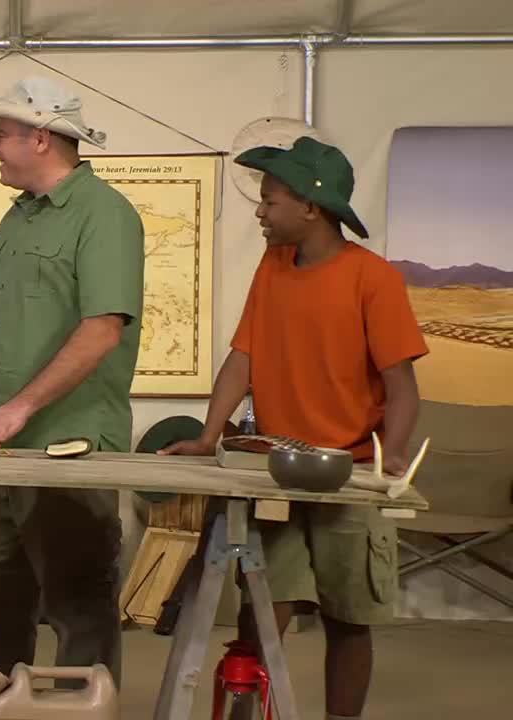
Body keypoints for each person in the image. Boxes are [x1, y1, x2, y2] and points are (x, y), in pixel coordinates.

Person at [161, 136, 428, 720]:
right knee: (263, 610)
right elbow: (243, 358)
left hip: (351, 471)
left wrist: (396, 453)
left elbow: (401, 384)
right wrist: (210, 435)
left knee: (347, 620)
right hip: (273, 472)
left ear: (311, 205)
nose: (259, 211)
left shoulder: (373, 278)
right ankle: (253, 705)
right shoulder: (273, 267)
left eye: (269, 200)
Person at [0, 77, 145, 688]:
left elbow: (102, 330)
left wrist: (19, 408)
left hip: (69, 445)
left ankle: (79, 710)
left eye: (0, 134)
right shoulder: (18, 218)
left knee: (77, 603)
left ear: (39, 138)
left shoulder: (106, 215)